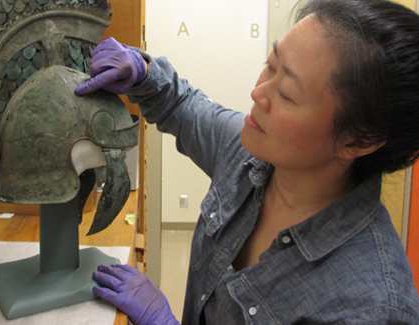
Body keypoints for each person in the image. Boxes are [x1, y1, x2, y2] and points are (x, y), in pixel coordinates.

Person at [75, 0, 419, 323]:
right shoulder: (252, 157)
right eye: (270, 65)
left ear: (357, 140)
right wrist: (141, 73)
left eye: (286, 94)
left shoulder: (370, 307)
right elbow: (182, 107)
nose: (258, 93)